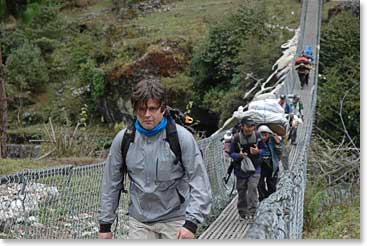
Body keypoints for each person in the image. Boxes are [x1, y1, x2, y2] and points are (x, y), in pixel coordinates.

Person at [98, 79, 212, 239]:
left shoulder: (181, 138)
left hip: (176, 219)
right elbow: (111, 183)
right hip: (139, 221)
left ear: (163, 109)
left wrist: (191, 223)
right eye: (142, 109)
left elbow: (199, 180)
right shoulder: (123, 140)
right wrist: (105, 225)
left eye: (152, 109)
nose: (147, 115)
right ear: (135, 109)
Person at [229, 117, 261, 221]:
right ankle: (242, 213)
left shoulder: (257, 136)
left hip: (255, 168)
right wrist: (239, 155)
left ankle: (253, 212)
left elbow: (265, 151)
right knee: (241, 191)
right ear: (242, 127)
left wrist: (258, 152)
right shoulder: (236, 138)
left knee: (252, 187)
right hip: (240, 169)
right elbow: (231, 153)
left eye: (252, 127)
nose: (249, 130)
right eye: (247, 128)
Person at [256, 125, 282, 201]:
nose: (263, 137)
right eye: (262, 135)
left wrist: (278, 143)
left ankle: (272, 200)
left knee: (271, 184)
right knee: (259, 183)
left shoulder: (273, 140)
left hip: (271, 165)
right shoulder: (256, 141)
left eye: (265, 135)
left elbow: (280, 152)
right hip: (260, 165)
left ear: (269, 134)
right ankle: (263, 198)